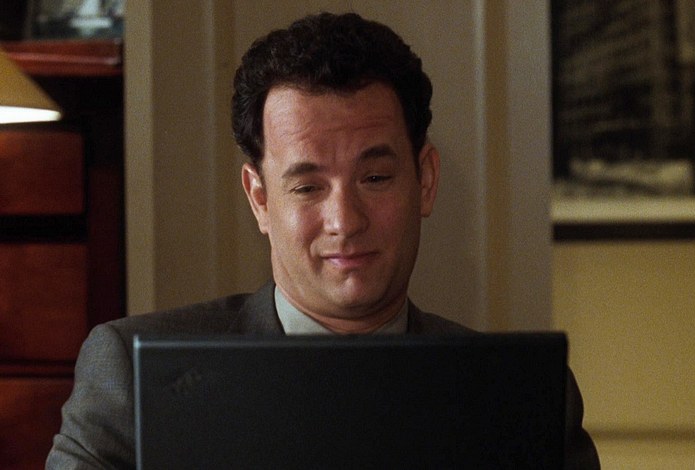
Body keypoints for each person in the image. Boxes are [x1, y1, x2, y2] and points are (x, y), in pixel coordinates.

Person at [47, 12, 599, 469]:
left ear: (425, 181)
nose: (344, 221)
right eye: (308, 187)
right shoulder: (129, 378)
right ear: (260, 199)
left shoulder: (523, 398)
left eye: (375, 178)